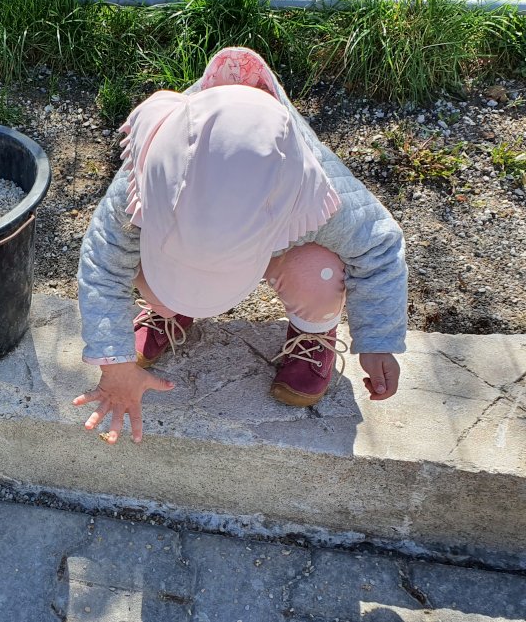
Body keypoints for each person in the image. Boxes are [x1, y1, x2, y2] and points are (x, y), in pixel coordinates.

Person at [74, 46, 408, 444]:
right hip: (204, 246)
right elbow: (104, 263)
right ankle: (169, 307)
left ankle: (314, 332)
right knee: (137, 256)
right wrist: (115, 361)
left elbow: (379, 246)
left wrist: (378, 341)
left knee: (317, 272)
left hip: (280, 245)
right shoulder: (147, 172)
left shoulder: (314, 191)